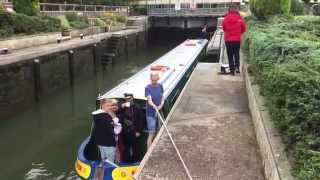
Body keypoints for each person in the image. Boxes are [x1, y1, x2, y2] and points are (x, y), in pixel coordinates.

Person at [91, 98, 121, 180]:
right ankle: (108, 177)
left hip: (101, 143)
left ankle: (99, 177)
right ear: (103, 106)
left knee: (103, 160)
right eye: (107, 106)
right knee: (110, 163)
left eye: (110, 106)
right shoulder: (105, 116)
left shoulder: (97, 115)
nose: (109, 108)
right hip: (109, 144)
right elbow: (115, 130)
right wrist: (114, 119)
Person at [222, 4, 246, 75]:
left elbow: (224, 28)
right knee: (236, 54)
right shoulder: (239, 19)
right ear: (236, 10)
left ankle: (232, 71)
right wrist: (238, 33)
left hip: (228, 40)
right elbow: (244, 29)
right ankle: (237, 68)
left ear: (229, 10)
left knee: (230, 56)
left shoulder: (226, 18)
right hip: (237, 40)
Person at [119, 93, 143, 162]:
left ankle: (137, 160)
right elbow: (119, 114)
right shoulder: (123, 107)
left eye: (129, 98)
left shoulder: (137, 107)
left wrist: (138, 131)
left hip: (134, 130)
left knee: (135, 147)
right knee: (125, 147)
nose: (128, 100)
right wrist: (121, 107)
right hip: (125, 131)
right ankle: (126, 160)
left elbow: (140, 120)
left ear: (132, 98)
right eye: (126, 99)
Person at [145, 72, 164, 149]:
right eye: (153, 80)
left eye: (156, 80)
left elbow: (162, 97)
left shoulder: (160, 86)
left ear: (158, 79)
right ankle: (149, 151)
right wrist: (153, 105)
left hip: (158, 111)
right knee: (152, 133)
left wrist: (161, 105)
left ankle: (156, 148)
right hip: (151, 114)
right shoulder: (147, 88)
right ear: (151, 79)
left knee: (159, 131)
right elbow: (149, 99)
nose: (154, 82)